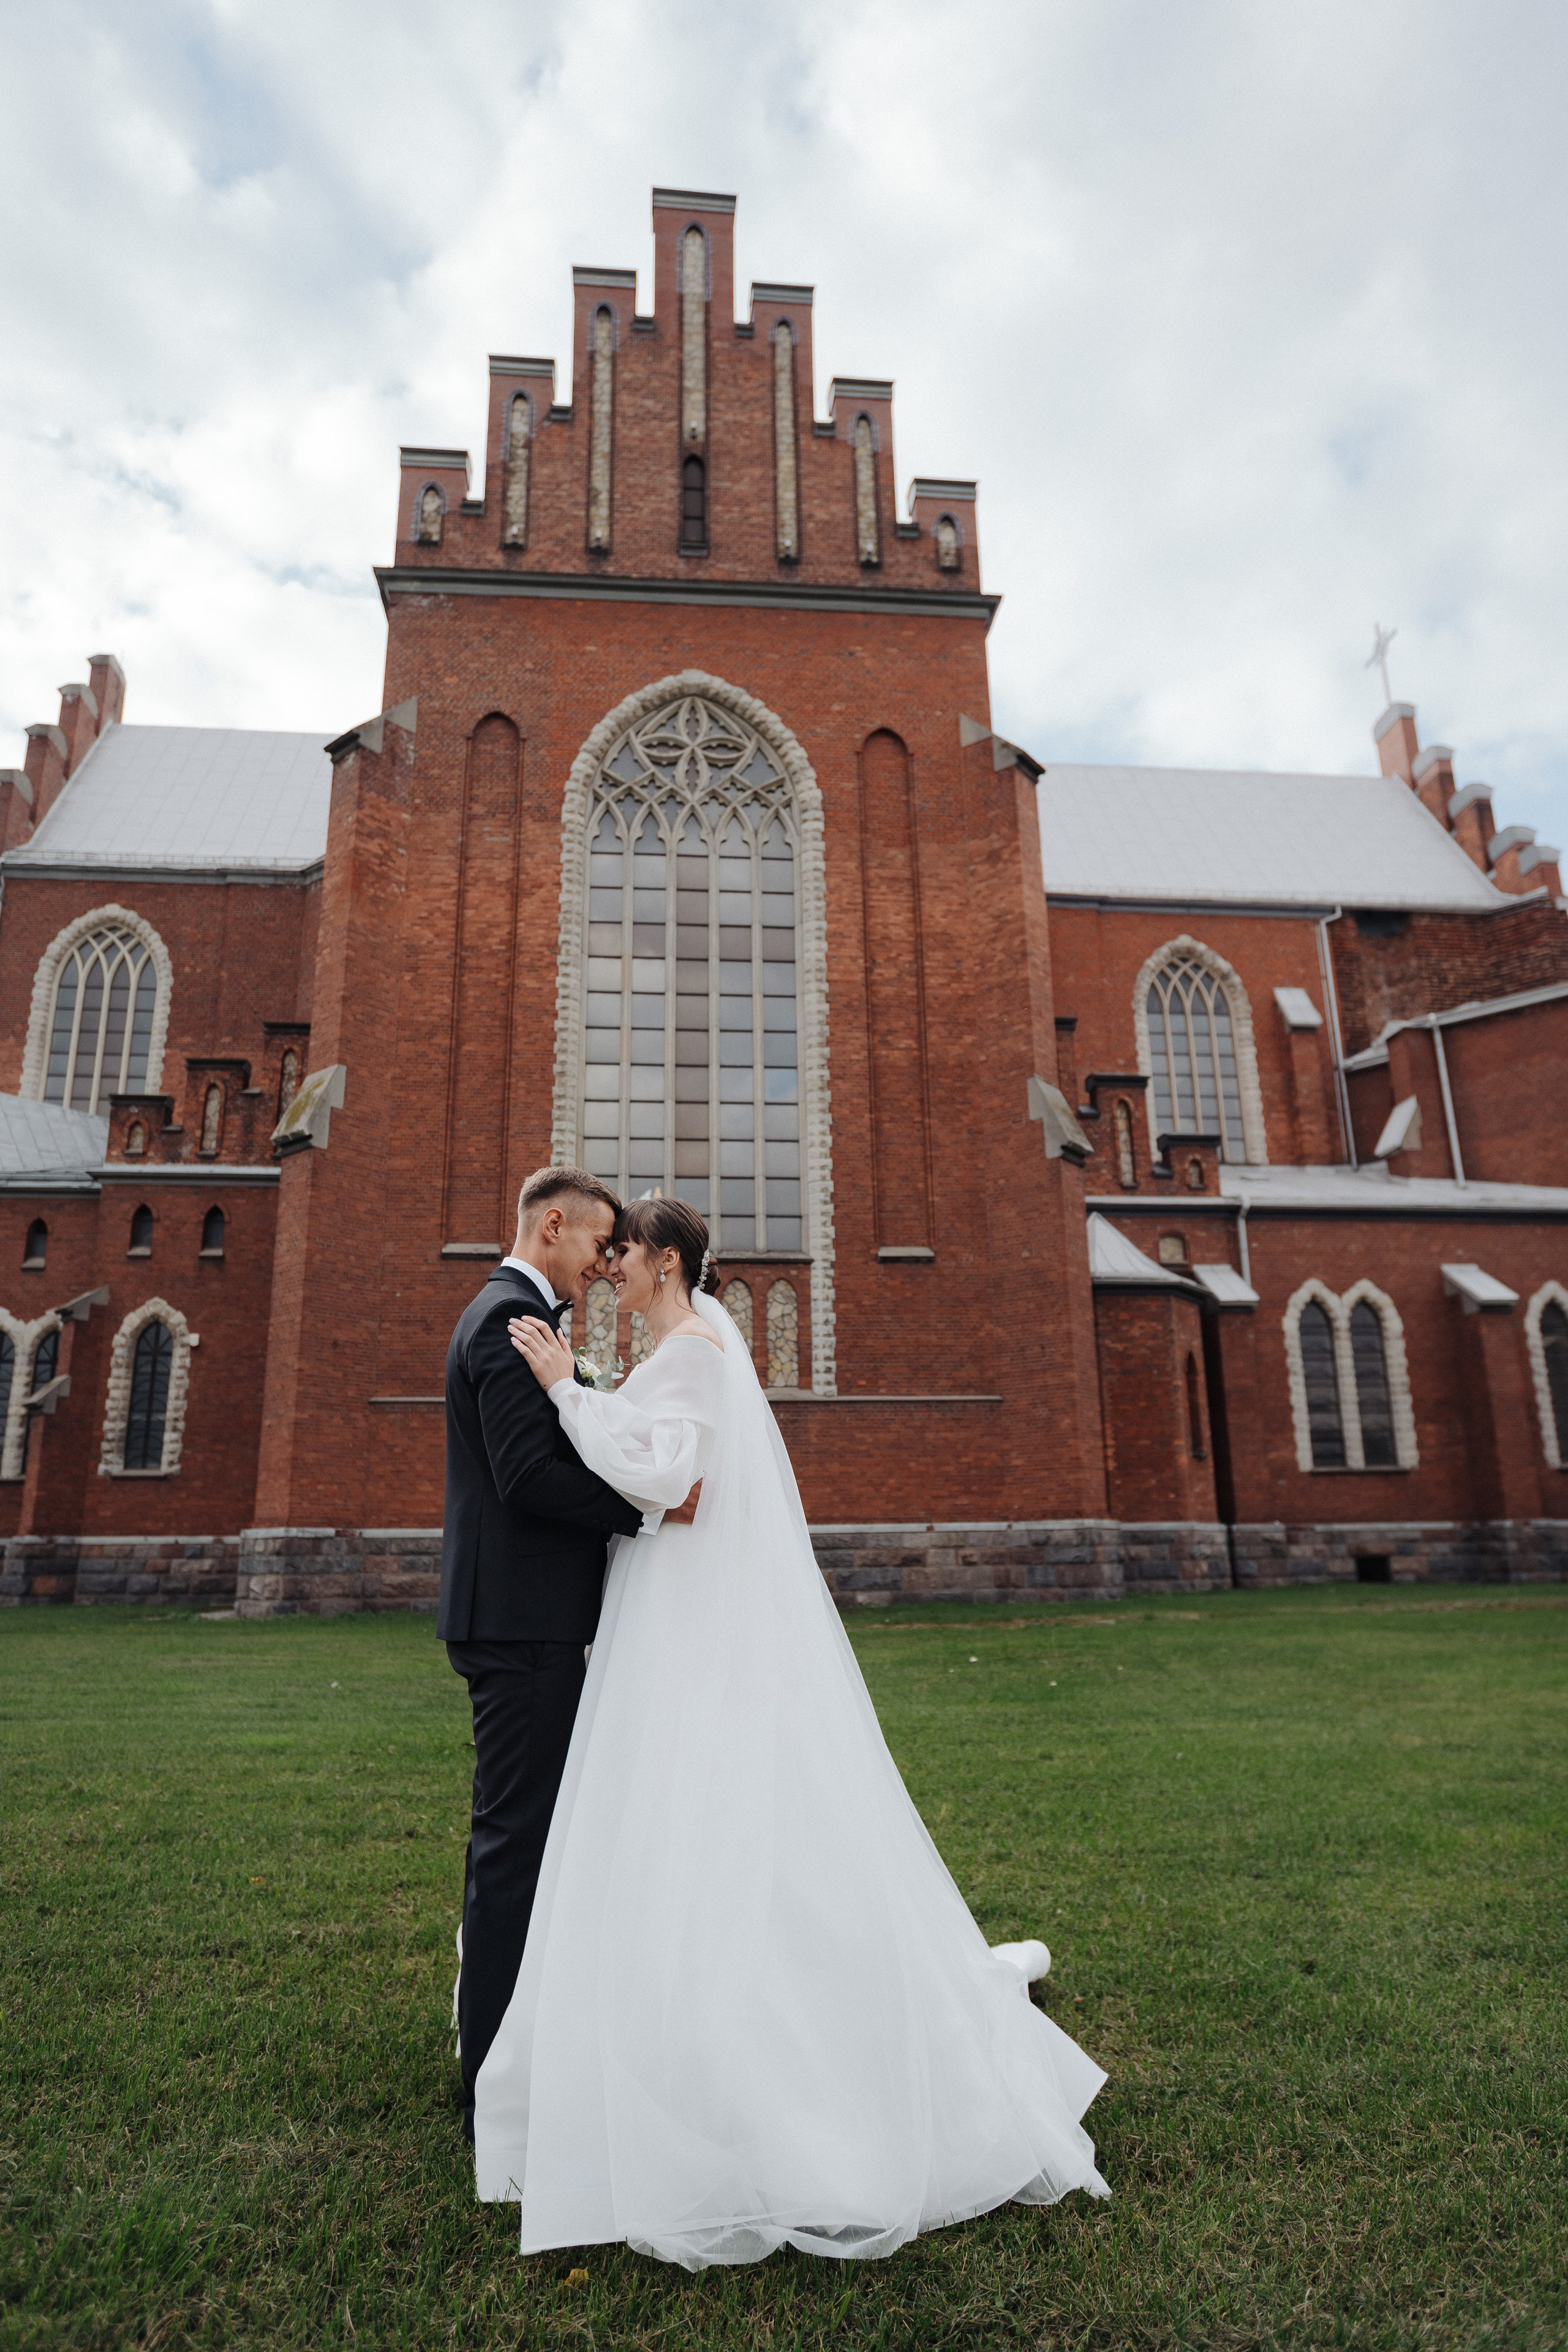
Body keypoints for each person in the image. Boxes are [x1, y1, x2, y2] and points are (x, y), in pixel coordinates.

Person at [473, 1193, 1110, 2267]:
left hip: (682, 1608)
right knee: (683, 1802)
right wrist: (584, 1391)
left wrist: (562, 1393)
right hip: (673, 1596)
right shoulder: (698, 1340)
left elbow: (665, 1471)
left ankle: (746, 2057)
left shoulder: (693, 1348)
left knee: (692, 1798)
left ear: (667, 1262)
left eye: (624, 1258)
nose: (613, 1276)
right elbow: (656, 1439)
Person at [439, 1167, 699, 2143]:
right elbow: (528, 1476)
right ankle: (491, 2081)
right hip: (521, 1623)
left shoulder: (515, 1315)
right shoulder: (508, 1322)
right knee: (515, 1846)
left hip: (518, 1617)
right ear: (553, 1226)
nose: (602, 1266)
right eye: (597, 1246)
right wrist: (649, 1507)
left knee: (527, 1839)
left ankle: (508, 2047)